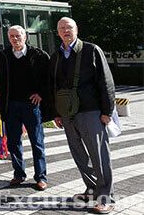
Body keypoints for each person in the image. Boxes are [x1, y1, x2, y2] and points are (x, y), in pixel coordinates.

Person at [50, 17, 116, 214]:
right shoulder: (56, 56)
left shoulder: (91, 50)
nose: (65, 31)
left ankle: (106, 197)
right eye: (61, 28)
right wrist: (56, 113)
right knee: (78, 154)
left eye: (68, 27)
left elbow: (106, 82)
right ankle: (92, 189)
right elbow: (53, 86)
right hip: (67, 113)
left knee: (99, 155)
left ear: (76, 29)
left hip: (91, 111)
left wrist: (106, 111)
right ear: (58, 32)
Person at [0, 25, 52, 190]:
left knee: (37, 142)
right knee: (14, 142)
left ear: (25, 36)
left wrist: (41, 94)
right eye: (11, 36)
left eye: (18, 36)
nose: (15, 39)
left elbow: (50, 78)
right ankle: (19, 174)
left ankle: (41, 176)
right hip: (11, 106)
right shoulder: (3, 56)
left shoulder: (38, 55)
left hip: (32, 106)